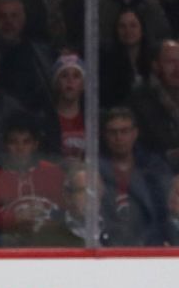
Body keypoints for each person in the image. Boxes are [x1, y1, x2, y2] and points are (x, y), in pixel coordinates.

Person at [0, 113, 64, 246]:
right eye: (13, 142)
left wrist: (51, 221)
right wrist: (9, 219)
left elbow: (68, 212)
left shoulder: (52, 173)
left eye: (26, 142)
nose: (20, 148)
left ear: (35, 145)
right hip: (4, 245)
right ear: (5, 145)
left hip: (47, 242)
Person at [98, 106, 171, 246]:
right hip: (108, 245)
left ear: (135, 133)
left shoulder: (153, 168)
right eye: (113, 132)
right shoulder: (96, 169)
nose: (118, 138)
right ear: (105, 135)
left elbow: (163, 212)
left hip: (149, 244)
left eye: (124, 131)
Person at [129, 40, 179, 171]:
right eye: (170, 62)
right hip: (156, 166)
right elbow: (143, 144)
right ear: (156, 65)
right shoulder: (140, 96)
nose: (177, 68)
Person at [43, 54, 86, 161]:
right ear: (56, 83)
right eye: (64, 76)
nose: (70, 81)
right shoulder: (43, 121)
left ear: (83, 85)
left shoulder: (94, 120)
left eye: (76, 76)